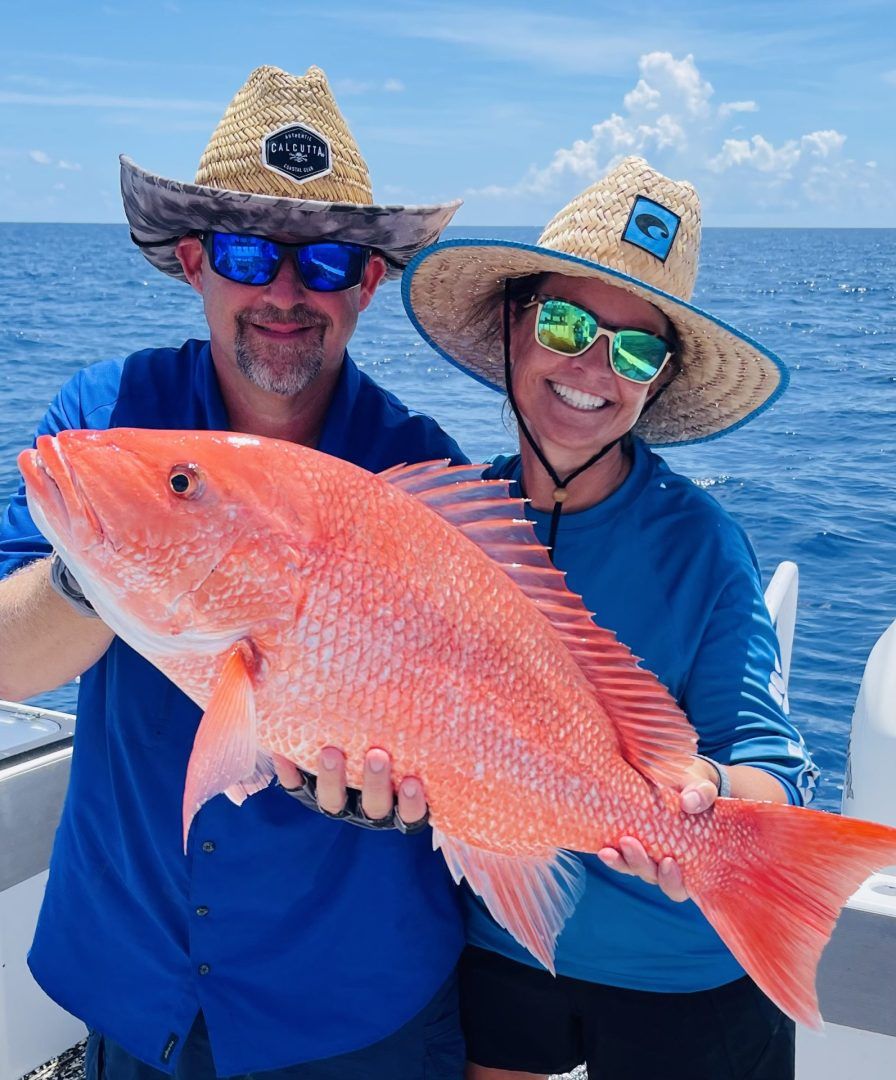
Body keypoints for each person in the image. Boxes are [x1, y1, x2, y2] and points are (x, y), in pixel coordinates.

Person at [0, 65, 469, 1080]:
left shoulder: (422, 477)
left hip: (353, 1003)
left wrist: (417, 794)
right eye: (251, 254)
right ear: (193, 261)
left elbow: (474, 713)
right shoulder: (105, 421)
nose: (286, 293)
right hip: (138, 980)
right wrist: (112, 556)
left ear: (370, 283)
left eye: (329, 262)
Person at [402, 157, 820, 1080]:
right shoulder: (447, 524)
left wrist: (703, 802)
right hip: (502, 944)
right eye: (565, 322)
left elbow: (773, 771)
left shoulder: (703, 545)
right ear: (512, 324)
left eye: (636, 351)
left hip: (686, 976)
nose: (594, 367)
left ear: (657, 383)